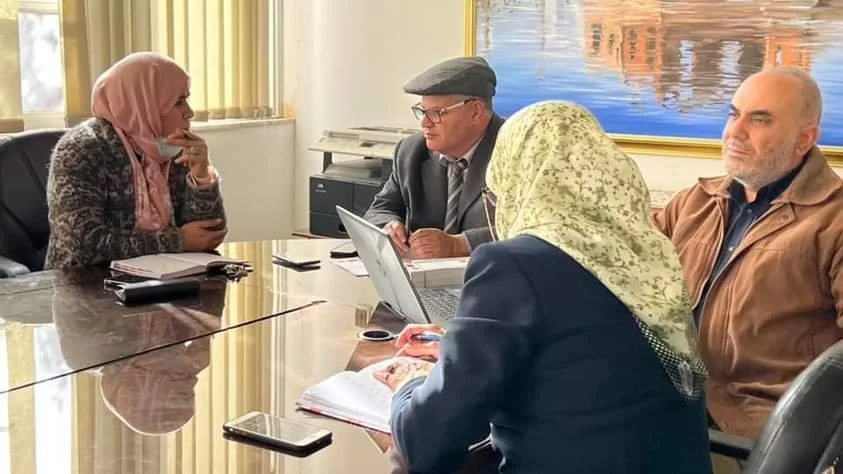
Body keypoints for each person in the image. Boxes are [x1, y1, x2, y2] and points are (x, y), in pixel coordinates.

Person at [374, 101, 712, 474]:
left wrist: (410, 382)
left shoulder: (514, 264)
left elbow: (427, 442)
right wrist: (461, 348)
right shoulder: (649, 256)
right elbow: (579, 358)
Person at [652, 66, 843, 440]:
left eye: (760, 120)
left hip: (764, 430)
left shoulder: (833, 221)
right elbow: (622, 268)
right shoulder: (695, 202)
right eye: (733, 114)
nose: (734, 132)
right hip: (665, 404)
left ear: (804, 139)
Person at [45, 52, 227, 269]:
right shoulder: (81, 149)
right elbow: (83, 245)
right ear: (144, 103)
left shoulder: (173, 147)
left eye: (186, 100)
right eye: (178, 102)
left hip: (164, 278)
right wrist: (177, 241)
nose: (189, 113)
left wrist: (202, 177)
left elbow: (208, 235)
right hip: (85, 283)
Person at [364, 56, 505, 259]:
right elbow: (380, 210)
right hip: (425, 275)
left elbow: (538, 232)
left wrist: (460, 244)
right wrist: (388, 226)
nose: (425, 123)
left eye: (437, 112)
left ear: (476, 111)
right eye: (422, 111)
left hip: (496, 274)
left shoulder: (521, 153)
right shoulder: (411, 151)